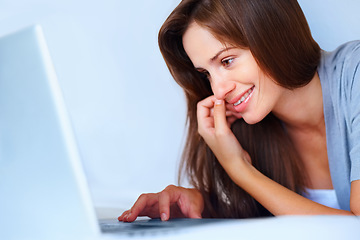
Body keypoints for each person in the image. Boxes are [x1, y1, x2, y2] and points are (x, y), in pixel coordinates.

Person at [119, 0, 360, 222]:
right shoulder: (252, 124)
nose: (218, 90)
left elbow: (355, 227)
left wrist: (240, 170)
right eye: (206, 74)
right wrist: (206, 207)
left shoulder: (355, 72)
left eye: (227, 61)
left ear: (271, 34)